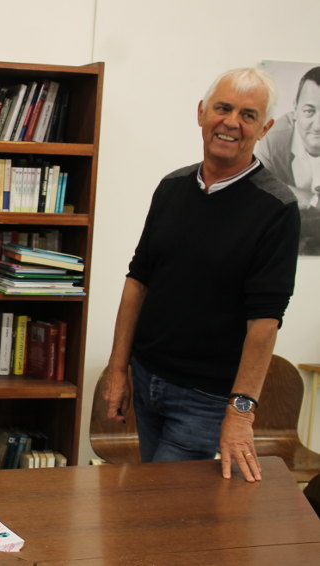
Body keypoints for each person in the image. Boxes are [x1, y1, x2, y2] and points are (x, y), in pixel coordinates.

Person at [102, 68, 300, 483]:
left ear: (264, 128)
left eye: (248, 115)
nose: (231, 122)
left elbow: (264, 321)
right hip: (147, 379)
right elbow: (138, 280)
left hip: (205, 398)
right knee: (154, 500)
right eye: (223, 108)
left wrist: (240, 412)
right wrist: (119, 370)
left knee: (164, 507)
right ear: (201, 113)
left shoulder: (276, 208)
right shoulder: (171, 187)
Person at [256, 66, 320, 254]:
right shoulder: (274, 138)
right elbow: (257, 189)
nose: (318, 126)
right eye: (309, 111)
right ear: (295, 108)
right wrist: (313, 200)